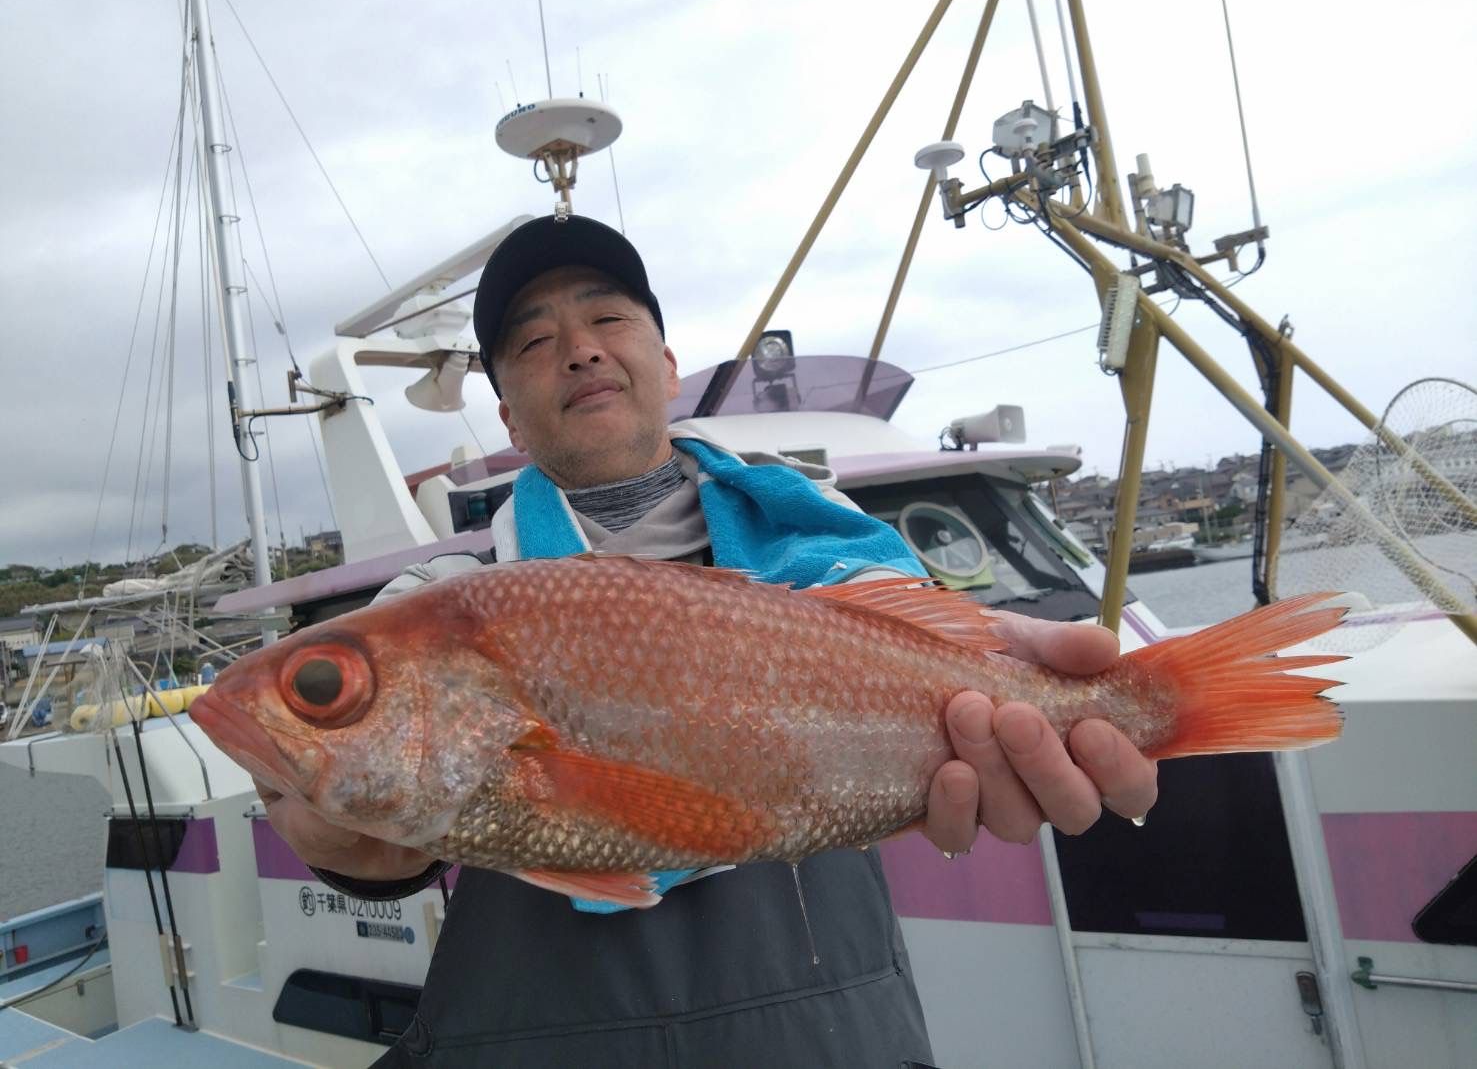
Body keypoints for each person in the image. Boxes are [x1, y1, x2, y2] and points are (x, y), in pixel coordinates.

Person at [256, 215, 1159, 1067]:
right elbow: (396, 841)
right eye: (532, 343)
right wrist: (353, 845)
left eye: (609, 318)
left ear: (666, 365)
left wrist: (1028, 692)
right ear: (508, 418)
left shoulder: (837, 563)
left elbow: (923, 650)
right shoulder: (433, 604)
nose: (579, 349)